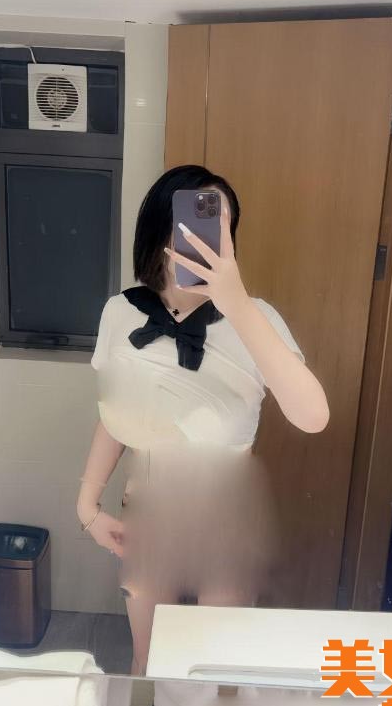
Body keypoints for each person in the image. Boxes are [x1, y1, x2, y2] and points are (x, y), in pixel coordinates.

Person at [77, 165, 329, 675]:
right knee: (148, 660)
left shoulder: (256, 319)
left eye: (216, 226)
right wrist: (87, 504)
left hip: (227, 518)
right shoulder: (119, 313)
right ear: (159, 229)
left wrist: (235, 304)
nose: (201, 239)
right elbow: (116, 417)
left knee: (215, 668)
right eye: (189, 224)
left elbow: (312, 417)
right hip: (147, 511)